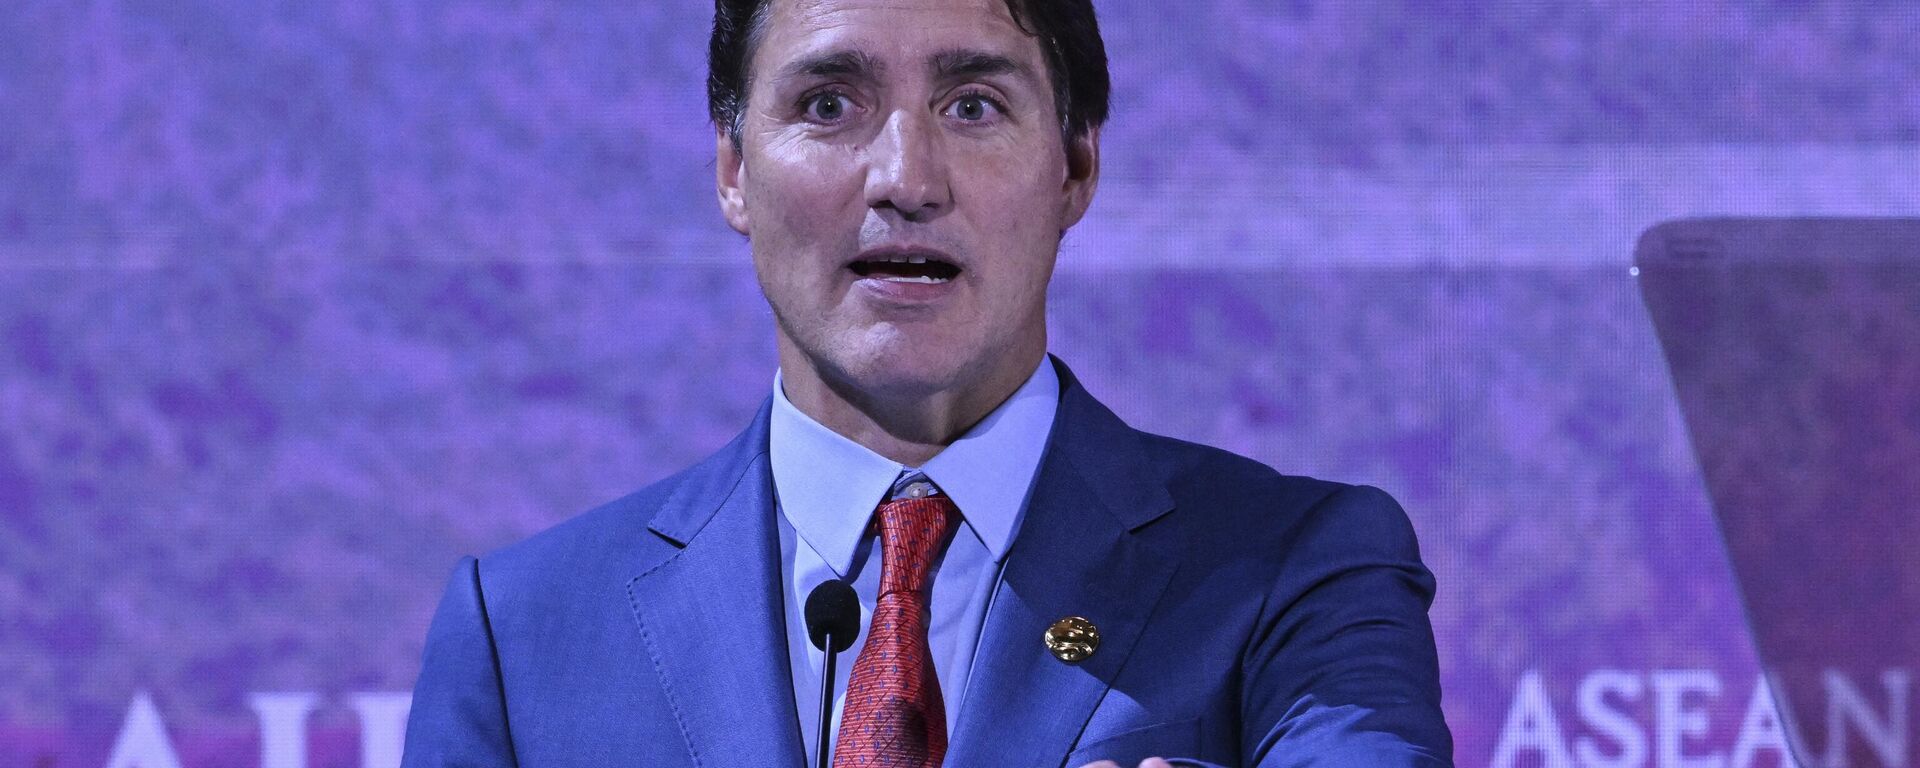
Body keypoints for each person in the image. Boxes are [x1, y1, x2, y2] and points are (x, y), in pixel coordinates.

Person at [400, 0, 1453, 765]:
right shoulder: (524, 632)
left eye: (975, 105)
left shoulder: (1293, 573)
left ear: (1076, 166)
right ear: (733, 170)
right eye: (827, 103)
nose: (906, 178)